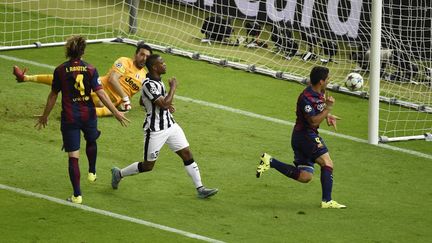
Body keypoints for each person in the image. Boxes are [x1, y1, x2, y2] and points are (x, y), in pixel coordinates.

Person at [35, 35, 130, 204]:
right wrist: (115, 112)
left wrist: (45, 116)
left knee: (73, 157)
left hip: (70, 118)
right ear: (83, 51)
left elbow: (53, 96)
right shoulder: (91, 69)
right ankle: (92, 170)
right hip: (88, 115)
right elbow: (100, 93)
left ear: (67, 51)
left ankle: (77, 195)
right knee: (92, 140)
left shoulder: (59, 70)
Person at [111, 54, 218, 199]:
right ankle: (119, 174)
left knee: (186, 153)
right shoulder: (148, 84)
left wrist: (163, 105)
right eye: (162, 63)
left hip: (170, 125)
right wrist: (172, 89)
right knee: (148, 166)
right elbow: (163, 103)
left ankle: (200, 188)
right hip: (155, 130)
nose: (165, 64)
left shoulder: (157, 81)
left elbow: (145, 102)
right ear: (155, 67)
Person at [256, 66, 346, 209]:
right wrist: (328, 108)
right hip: (305, 136)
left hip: (303, 136)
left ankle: (270, 161)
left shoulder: (321, 92)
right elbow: (313, 121)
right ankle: (327, 201)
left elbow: (319, 112)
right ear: (321, 81)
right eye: (327, 78)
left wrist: (328, 116)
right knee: (327, 163)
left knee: (305, 176)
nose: (329, 80)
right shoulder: (306, 98)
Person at [13, 42, 153, 117]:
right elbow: (112, 79)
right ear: (136, 54)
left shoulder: (145, 76)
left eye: (147, 56)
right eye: (142, 54)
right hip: (98, 88)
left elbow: (144, 98)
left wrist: (160, 104)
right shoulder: (124, 61)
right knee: (66, 79)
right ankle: (25, 78)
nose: (144, 58)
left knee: (114, 111)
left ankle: (76, 114)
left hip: (111, 102)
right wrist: (125, 97)